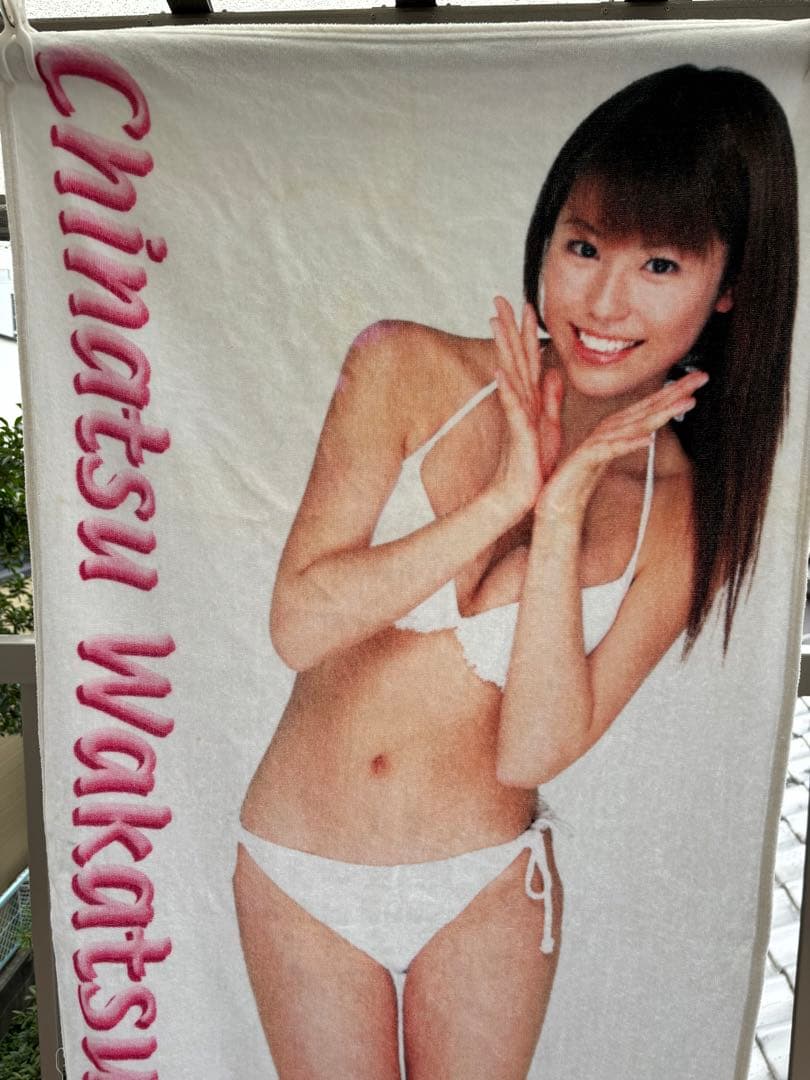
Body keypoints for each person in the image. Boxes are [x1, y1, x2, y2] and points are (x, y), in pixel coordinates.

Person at [233, 64, 798, 1080]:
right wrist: (502, 500)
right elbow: (299, 626)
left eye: (659, 264)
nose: (603, 300)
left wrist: (564, 510)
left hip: (485, 891)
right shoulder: (406, 367)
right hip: (298, 871)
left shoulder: (682, 516)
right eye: (584, 246)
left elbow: (530, 750)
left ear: (730, 288)